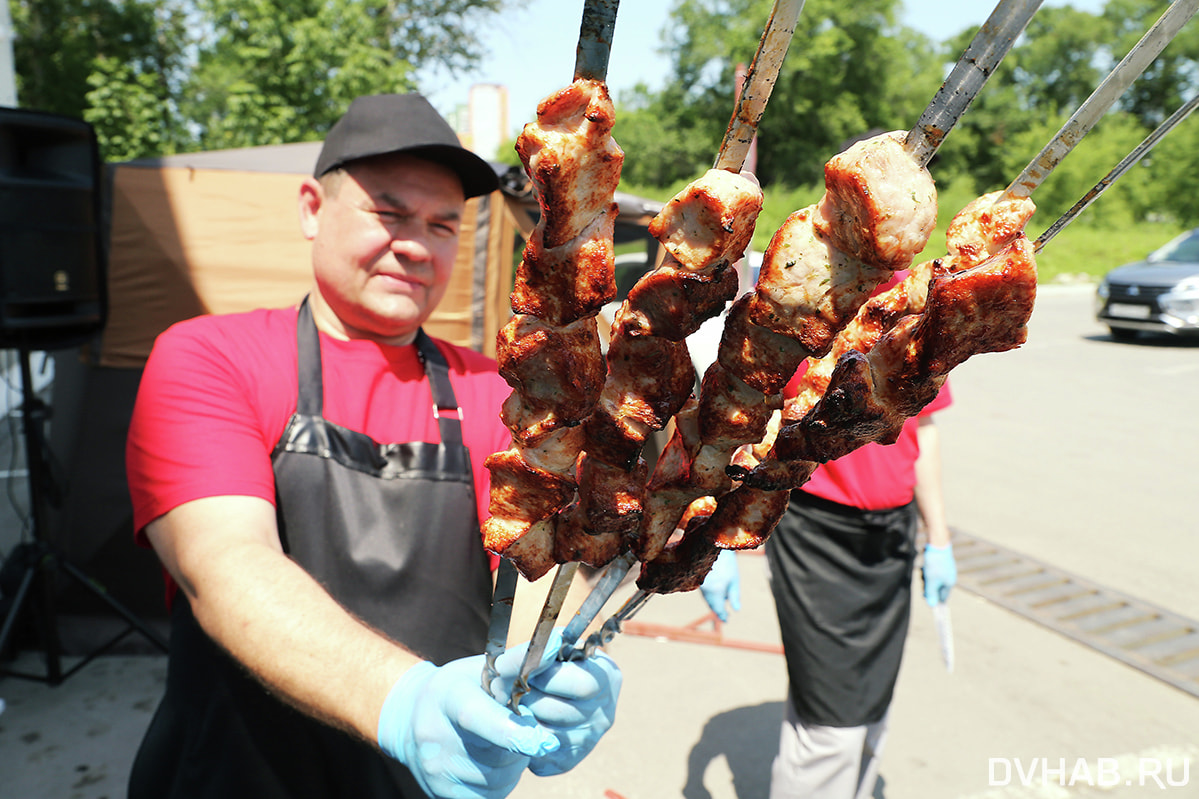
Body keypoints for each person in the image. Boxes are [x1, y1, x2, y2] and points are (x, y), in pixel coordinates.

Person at [125, 93, 621, 799]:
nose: (417, 244)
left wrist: (572, 658)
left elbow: (550, 567)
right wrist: (406, 701)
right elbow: (225, 561)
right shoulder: (211, 355)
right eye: (388, 214)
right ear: (309, 208)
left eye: (442, 224)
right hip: (233, 774)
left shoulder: (498, 391)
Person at [699, 271, 957, 799]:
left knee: (873, 705)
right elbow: (744, 419)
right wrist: (714, 534)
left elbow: (924, 433)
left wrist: (939, 539)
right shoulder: (803, 290)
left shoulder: (917, 302)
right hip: (815, 528)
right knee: (828, 719)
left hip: (890, 534)